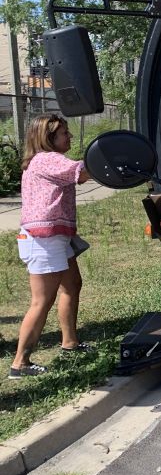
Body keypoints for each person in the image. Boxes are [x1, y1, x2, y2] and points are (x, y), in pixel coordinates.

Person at [10, 114, 92, 379]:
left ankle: (70, 343)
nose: (69, 137)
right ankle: (20, 363)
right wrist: (110, 160)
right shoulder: (48, 159)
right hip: (44, 240)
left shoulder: (42, 160)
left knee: (72, 284)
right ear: (48, 138)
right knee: (41, 301)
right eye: (64, 133)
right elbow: (82, 173)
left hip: (53, 237)